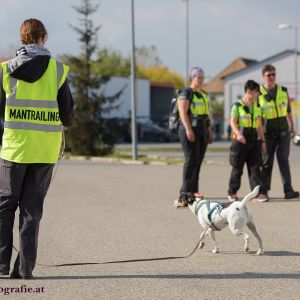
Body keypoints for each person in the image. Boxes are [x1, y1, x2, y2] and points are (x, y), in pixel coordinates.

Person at [0, 19, 74, 279]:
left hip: (14, 150)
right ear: (43, 38)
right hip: (44, 151)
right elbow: (68, 116)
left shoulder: (5, 70)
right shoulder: (58, 71)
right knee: (32, 210)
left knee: (5, 206)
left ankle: (0, 264)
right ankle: (24, 268)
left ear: (22, 39)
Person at [255, 64, 299, 201]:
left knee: (283, 161)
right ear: (263, 77)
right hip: (268, 133)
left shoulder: (283, 91)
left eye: (274, 74)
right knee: (267, 162)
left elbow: (289, 111)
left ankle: (288, 191)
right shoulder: (259, 94)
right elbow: (258, 118)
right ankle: (263, 192)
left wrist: (293, 126)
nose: (272, 77)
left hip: (284, 132)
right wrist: (260, 137)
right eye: (269, 75)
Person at [176, 67, 213, 206]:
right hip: (189, 129)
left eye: (203, 77)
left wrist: (210, 131)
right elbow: (182, 112)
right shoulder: (186, 92)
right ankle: (184, 193)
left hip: (202, 129)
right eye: (199, 77)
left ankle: (194, 190)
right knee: (191, 160)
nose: (202, 79)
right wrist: (188, 129)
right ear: (192, 78)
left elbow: (206, 114)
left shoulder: (203, 94)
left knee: (198, 161)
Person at [228, 80, 265, 201]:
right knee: (237, 168)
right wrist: (238, 134)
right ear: (249, 92)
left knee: (255, 168)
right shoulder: (237, 106)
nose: (258, 95)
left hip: (254, 140)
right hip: (240, 141)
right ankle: (232, 192)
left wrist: (263, 141)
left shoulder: (256, 106)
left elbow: (259, 125)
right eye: (257, 92)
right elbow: (232, 122)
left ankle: (257, 194)